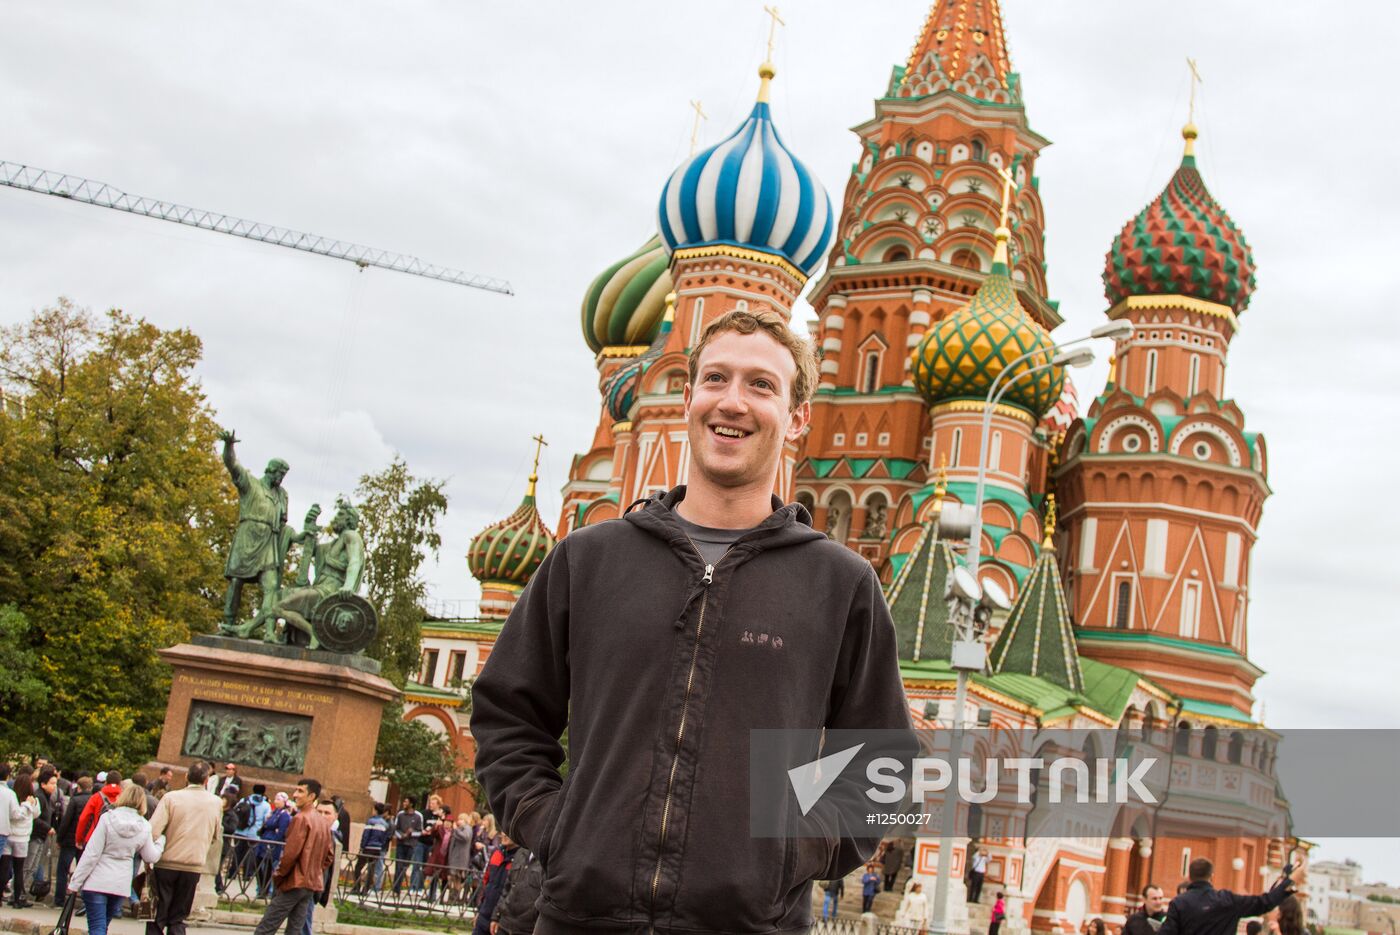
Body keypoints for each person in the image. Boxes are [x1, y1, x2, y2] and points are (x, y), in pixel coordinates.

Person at [471, 309, 913, 934]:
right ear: (687, 398)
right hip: (579, 918)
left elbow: (882, 767)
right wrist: (555, 825)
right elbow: (506, 712)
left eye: (761, 385)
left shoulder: (837, 585)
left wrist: (787, 856)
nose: (732, 402)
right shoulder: (591, 559)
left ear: (798, 418)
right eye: (715, 379)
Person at [69, 784, 166, 935]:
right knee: (103, 925)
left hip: (97, 879)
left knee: (97, 926)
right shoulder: (144, 826)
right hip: (121, 883)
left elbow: (92, 854)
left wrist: (75, 882)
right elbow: (151, 856)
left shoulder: (107, 819)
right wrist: (161, 841)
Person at [146, 761, 222, 935]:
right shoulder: (216, 803)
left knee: (158, 915)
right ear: (206, 780)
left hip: (166, 863)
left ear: (186, 777)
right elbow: (216, 835)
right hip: (193, 865)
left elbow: (154, 831)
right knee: (178, 917)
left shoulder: (171, 798)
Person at [251, 779, 334, 935]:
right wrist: (314, 870)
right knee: (294, 930)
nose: (295, 795)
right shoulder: (322, 822)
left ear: (312, 796)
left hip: (294, 882)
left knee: (265, 928)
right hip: (309, 884)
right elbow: (329, 857)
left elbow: (290, 854)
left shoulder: (301, 818)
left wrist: (279, 875)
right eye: (296, 790)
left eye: (300, 791)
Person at [1158, 858, 1295, 935]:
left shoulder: (1179, 903)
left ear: (1189, 877)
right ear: (1212, 877)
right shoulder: (1227, 900)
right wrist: (1287, 885)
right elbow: (1264, 902)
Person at [54, 775, 94, 905]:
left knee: (63, 870)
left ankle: (59, 899)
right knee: (84, 870)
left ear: (79, 787)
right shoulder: (93, 800)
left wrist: (60, 838)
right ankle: (83, 901)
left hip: (70, 840)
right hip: (87, 840)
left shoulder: (75, 800)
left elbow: (66, 821)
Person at [301, 801, 340, 935]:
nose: (322, 816)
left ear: (335, 816)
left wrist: (321, 893)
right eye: (319, 812)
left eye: (327, 813)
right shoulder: (307, 832)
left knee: (302, 925)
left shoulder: (332, 838)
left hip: (311, 888)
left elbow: (328, 869)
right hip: (299, 885)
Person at [4, 772, 41, 907]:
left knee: (5, 867)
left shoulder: (13, 798)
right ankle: (17, 898)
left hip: (10, 835)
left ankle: (4, 894)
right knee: (19, 869)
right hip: (22, 839)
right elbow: (37, 814)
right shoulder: (33, 800)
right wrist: (29, 805)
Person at [470, 833, 517, 935]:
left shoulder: (520, 859)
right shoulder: (496, 853)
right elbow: (486, 883)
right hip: (484, 915)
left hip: (502, 920)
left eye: (509, 832)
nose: (505, 835)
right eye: (503, 831)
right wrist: (480, 910)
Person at [490, 847, 541, 935]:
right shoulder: (521, 852)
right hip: (505, 924)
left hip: (527, 929)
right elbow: (507, 888)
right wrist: (496, 916)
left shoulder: (549, 858)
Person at [24, 767, 59, 895]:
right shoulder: (39, 796)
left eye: (55, 784)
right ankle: (17, 893)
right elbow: (35, 818)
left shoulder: (47, 797)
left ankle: (21, 892)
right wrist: (48, 827)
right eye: (52, 783)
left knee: (32, 867)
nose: (54, 787)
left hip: (41, 836)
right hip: (35, 835)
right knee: (28, 866)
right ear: (43, 784)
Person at [75, 770, 124, 849]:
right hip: (116, 842)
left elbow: (83, 818)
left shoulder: (96, 797)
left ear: (106, 782)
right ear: (120, 783)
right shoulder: (124, 798)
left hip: (94, 837)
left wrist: (79, 839)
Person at [353, 803, 391, 896]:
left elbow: (366, 835)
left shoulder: (371, 821)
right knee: (371, 869)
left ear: (376, 810)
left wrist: (362, 846)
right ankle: (366, 889)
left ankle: (356, 888)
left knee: (358, 867)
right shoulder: (385, 824)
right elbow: (385, 838)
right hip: (377, 849)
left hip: (368, 847)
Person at [390, 797, 422, 894]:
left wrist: (411, 833)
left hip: (411, 845)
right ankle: (396, 889)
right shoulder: (400, 815)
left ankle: (398, 886)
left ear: (411, 804)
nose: (404, 803)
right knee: (398, 866)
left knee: (405, 867)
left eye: (406, 801)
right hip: (401, 844)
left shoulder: (417, 817)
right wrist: (401, 835)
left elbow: (419, 832)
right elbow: (396, 829)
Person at [447, 813, 475, 903]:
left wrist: (456, 830)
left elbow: (465, 837)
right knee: (453, 878)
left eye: (461, 819)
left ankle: (455, 897)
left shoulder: (467, 828)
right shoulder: (459, 829)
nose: (459, 821)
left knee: (457, 878)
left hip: (460, 858)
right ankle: (453, 896)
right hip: (455, 857)